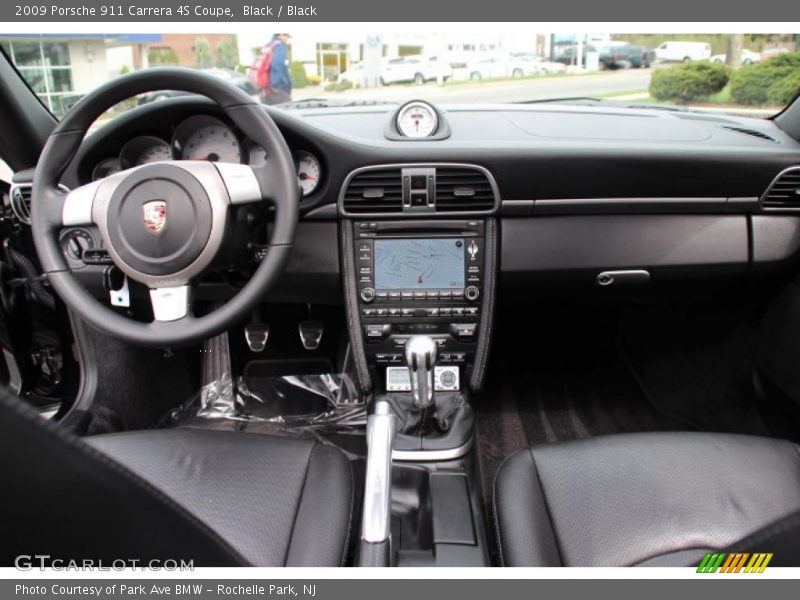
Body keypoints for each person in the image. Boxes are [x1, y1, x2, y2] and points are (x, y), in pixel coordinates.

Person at [256, 33, 292, 105]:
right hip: (277, 90)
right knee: (286, 113)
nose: (287, 39)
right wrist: (277, 86)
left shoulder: (268, 46)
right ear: (280, 35)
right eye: (286, 36)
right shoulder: (279, 46)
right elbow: (278, 66)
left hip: (265, 90)